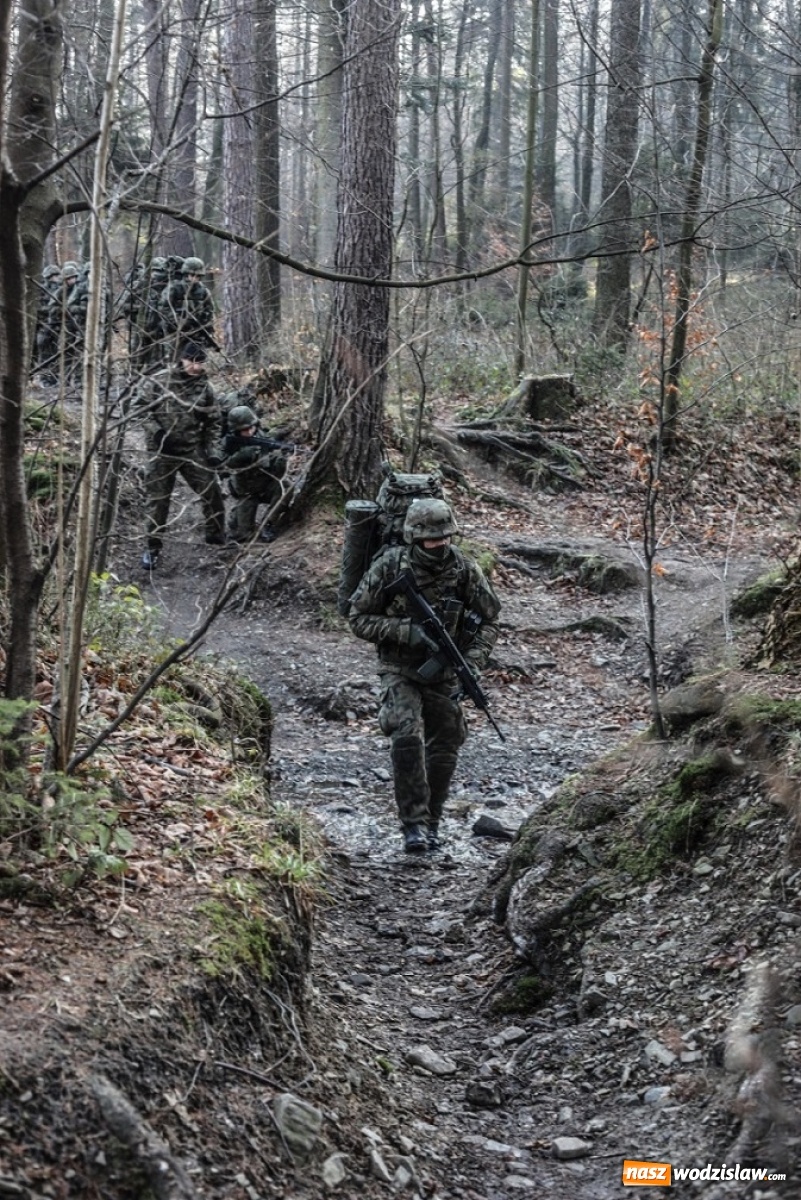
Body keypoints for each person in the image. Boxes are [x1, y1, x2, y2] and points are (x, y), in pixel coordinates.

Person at [349, 498, 500, 854]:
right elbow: (357, 617)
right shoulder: (390, 567)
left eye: (444, 538)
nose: (439, 545)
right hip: (399, 668)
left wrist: (472, 663)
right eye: (431, 540)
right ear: (414, 538)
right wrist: (406, 631)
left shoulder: (463, 569)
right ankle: (413, 824)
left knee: (447, 741)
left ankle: (432, 821)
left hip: (445, 670)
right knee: (405, 733)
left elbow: (490, 618)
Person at [136, 340, 226, 570]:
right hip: (162, 452)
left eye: (201, 362)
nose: (196, 367)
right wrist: (156, 434)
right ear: (183, 360)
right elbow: (141, 410)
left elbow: (214, 421)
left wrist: (213, 452)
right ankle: (152, 548)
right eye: (193, 362)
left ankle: (216, 537)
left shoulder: (205, 388)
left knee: (212, 492)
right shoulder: (161, 380)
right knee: (157, 503)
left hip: (191, 448)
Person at [217, 405, 293, 543]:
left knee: (286, 488)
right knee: (242, 535)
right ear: (236, 430)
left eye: (252, 426)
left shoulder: (260, 435)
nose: (250, 431)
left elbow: (274, 459)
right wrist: (239, 457)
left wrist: (282, 454)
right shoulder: (227, 444)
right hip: (246, 492)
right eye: (245, 429)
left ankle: (268, 524)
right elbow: (219, 467)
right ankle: (237, 515)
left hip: (265, 485)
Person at [159, 256, 217, 354]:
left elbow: (210, 311)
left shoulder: (203, 291)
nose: (195, 278)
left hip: (197, 333)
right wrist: (179, 322)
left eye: (198, 276)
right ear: (185, 274)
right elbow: (163, 308)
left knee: (195, 363)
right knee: (176, 361)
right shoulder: (174, 288)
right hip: (175, 332)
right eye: (192, 275)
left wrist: (208, 328)